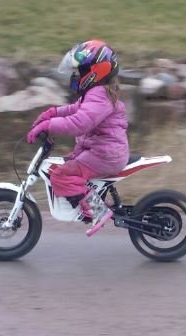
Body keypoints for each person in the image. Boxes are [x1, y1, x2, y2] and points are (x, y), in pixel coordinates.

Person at [27, 39, 129, 236]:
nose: (76, 76)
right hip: (101, 149)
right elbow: (77, 109)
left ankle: (97, 211)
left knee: (61, 175)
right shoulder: (98, 92)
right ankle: (89, 204)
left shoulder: (99, 96)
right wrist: (53, 113)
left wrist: (48, 125)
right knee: (64, 165)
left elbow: (79, 122)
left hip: (105, 154)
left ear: (96, 71)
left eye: (80, 71)